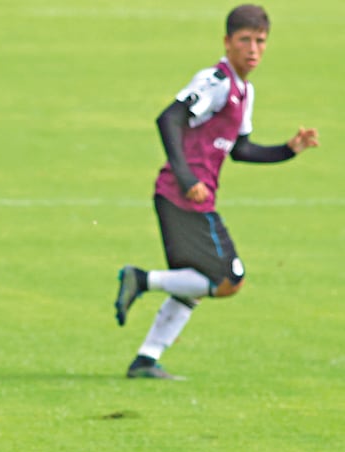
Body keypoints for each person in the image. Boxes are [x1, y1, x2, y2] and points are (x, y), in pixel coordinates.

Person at [114, 4, 318, 379]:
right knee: (229, 279)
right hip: (183, 196)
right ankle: (140, 279)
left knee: (195, 281)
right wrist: (186, 177)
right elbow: (169, 118)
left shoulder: (244, 91)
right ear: (227, 42)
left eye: (260, 41)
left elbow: (241, 149)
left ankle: (146, 359)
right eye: (245, 40)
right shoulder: (216, 81)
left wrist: (289, 150)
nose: (253, 49)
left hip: (188, 196)